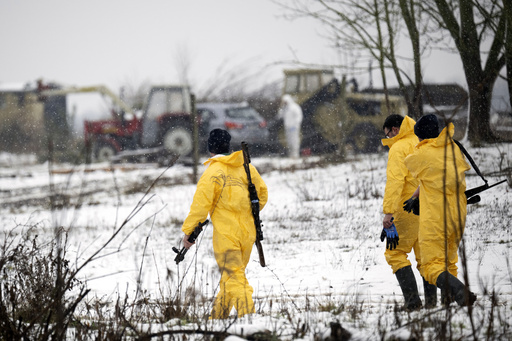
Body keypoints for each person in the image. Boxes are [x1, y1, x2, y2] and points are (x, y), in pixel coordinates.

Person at [181, 128, 269, 319]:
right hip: (248, 234)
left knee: (234, 277)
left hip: (227, 235)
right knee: (231, 276)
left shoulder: (213, 172)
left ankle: (249, 317)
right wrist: (245, 213)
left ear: (211, 149)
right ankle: (217, 317)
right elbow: (262, 195)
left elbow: (200, 206)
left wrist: (189, 232)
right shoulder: (247, 168)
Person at [404, 114, 476, 307]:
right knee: (449, 261)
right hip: (457, 215)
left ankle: (461, 291)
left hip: (436, 217)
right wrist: (416, 196)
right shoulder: (452, 147)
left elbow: (414, 164)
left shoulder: (422, 154)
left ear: (422, 136)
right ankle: (449, 304)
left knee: (431, 266)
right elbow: (434, 177)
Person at [381, 114, 438, 310]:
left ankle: (413, 303)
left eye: (387, 134)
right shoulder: (420, 141)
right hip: (427, 206)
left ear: (395, 130)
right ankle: (432, 303)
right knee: (425, 257)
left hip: (406, 209)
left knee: (395, 253)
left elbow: (395, 181)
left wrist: (388, 212)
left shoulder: (398, 148)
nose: (388, 138)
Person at [277, 94, 303, 158]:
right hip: (287, 127)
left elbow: (299, 116)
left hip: (294, 127)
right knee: (289, 141)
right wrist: (281, 108)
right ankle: (291, 155)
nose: (285, 103)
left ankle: (295, 155)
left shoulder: (294, 107)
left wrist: (296, 124)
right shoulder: (284, 109)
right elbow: (279, 116)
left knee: (294, 141)